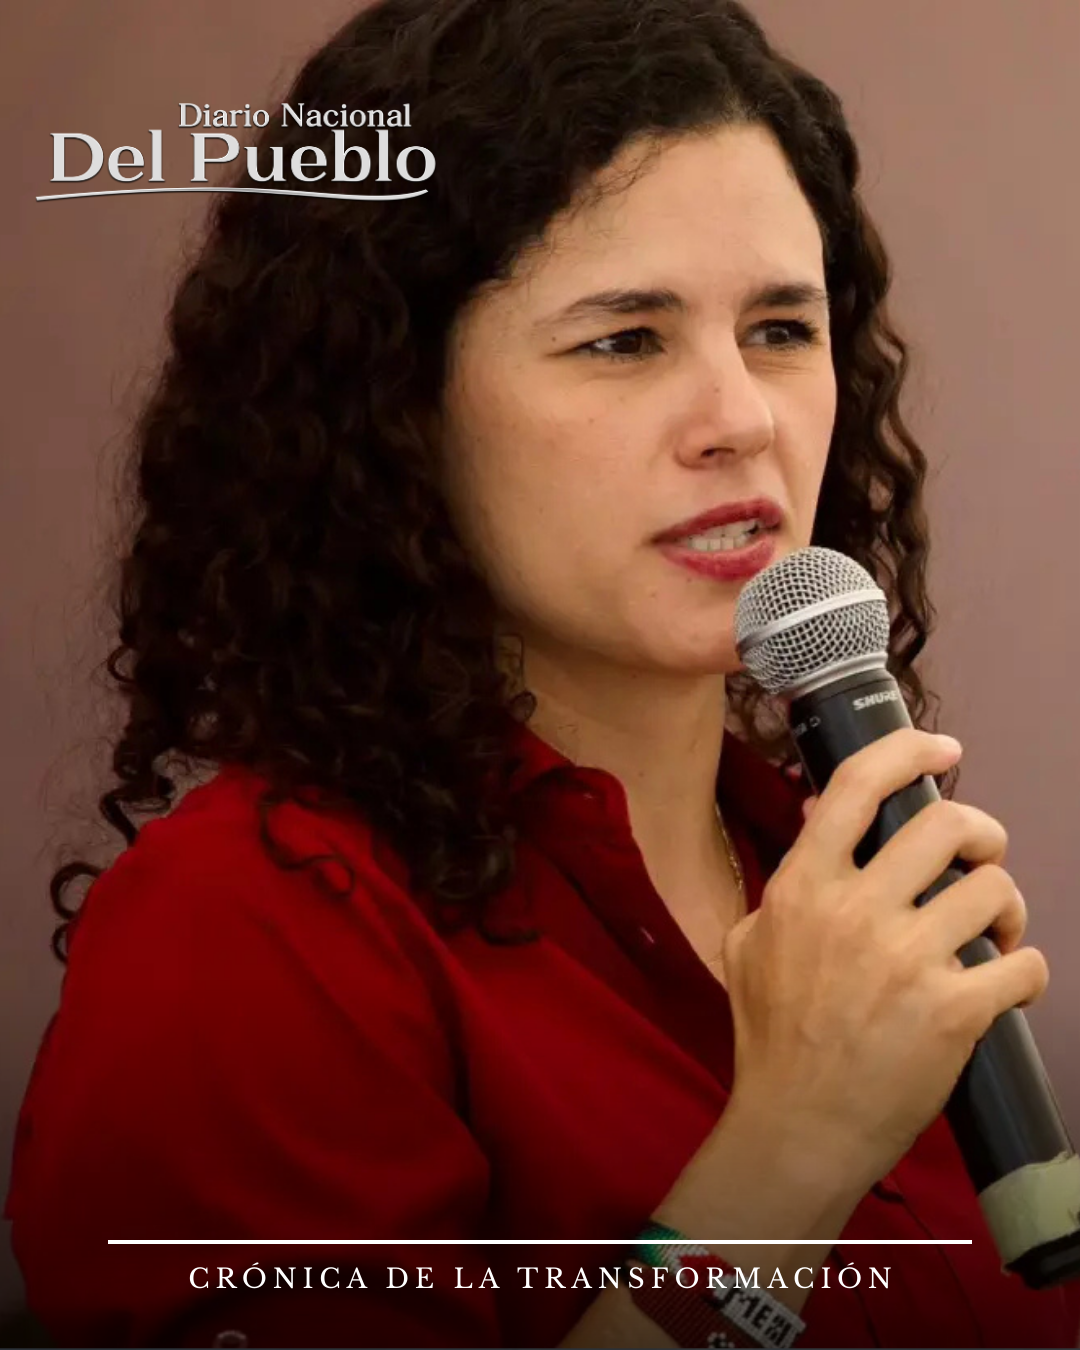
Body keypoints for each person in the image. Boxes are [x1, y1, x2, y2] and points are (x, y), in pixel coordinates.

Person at [6, 0, 1079, 1346]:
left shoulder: (834, 875)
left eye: (780, 329)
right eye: (624, 340)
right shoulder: (244, 929)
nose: (742, 418)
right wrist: (796, 1146)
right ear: (394, 406)